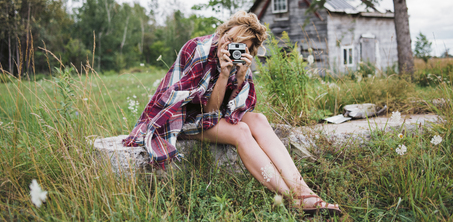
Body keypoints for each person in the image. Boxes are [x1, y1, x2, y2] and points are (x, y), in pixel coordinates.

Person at [123, 11, 341, 216]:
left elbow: (232, 109)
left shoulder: (239, 61)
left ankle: (305, 192)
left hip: (208, 115)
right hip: (179, 117)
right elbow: (207, 112)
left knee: (258, 119)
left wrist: (239, 76)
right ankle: (292, 197)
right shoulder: (198, 49)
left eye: (238, 45)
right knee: (242, 131)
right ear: (222, 31)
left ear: (247, 50)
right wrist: (224, 72)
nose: (228, 45)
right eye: (228, 37)